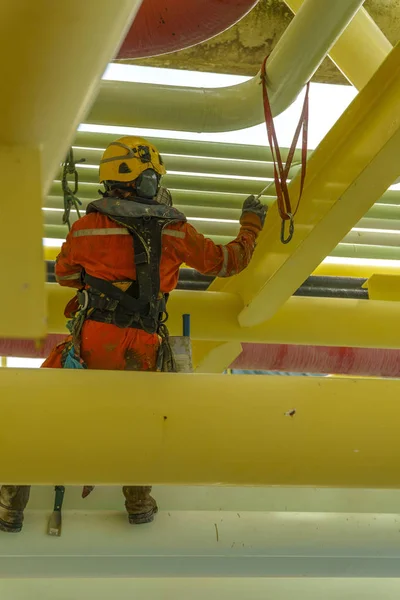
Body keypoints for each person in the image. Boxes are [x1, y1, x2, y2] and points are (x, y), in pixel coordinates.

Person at [0, 136, 267, 533]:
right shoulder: (175, 231)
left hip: (92, 339)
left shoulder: (86, 228)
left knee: (45, 408)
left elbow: (67, 276)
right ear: (144, 182)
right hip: (142, 347)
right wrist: (251, 224)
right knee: (142, 419)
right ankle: (138, 503)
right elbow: (226, 262)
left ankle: (10, 506)